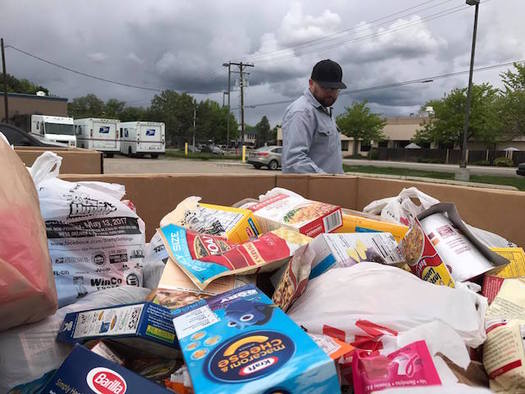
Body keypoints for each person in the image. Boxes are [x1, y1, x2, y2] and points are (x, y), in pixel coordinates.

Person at [281, 59, 347, 173]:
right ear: (311, 83)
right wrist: (328, 180)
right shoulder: (302, 112)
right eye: (325, 87)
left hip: (327, 187)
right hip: (310, 189)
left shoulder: (324, 111)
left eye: (335, 88)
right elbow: (294, 161)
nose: (330, 93)